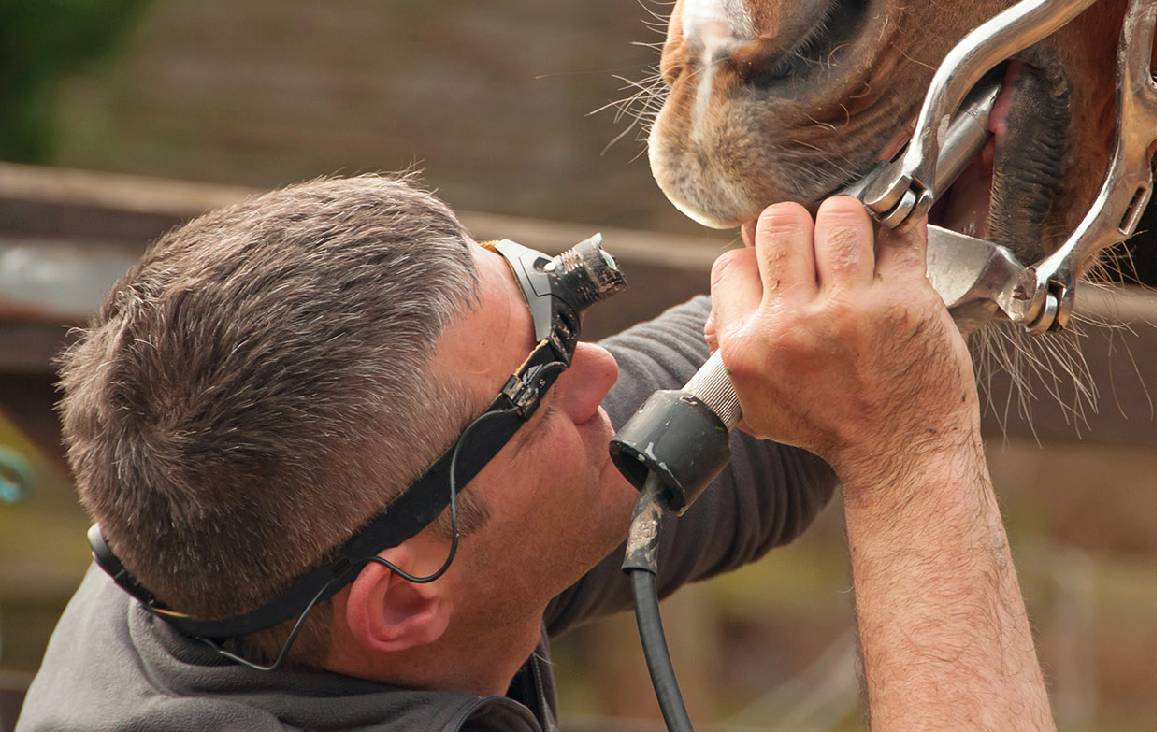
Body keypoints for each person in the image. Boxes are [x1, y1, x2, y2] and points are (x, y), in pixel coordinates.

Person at [20, 174, 1054, 731]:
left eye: (552, 314)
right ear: (405, 599)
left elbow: (779, 409)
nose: (601, 375)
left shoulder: (259, 556)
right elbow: (876, 422)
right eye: (537, 388)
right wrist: (914, 457)